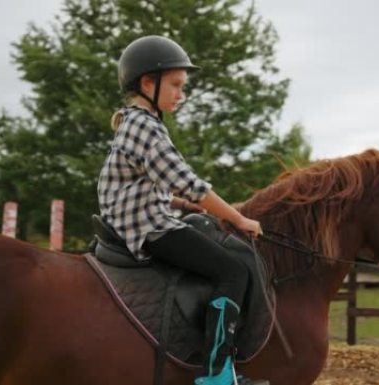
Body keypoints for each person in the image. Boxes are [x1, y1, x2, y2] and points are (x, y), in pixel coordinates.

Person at [97, 35, 264, 385]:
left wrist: (185, 204)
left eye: (182, 87)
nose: (180, 94)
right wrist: (236, 217)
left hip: (143, 216)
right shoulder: (144, 126)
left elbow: (150, 187)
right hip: (147, 227)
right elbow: (189, 182)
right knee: (233, 271)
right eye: (175, 85)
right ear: (147, 82)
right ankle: (218, 372)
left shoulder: (139, 122)